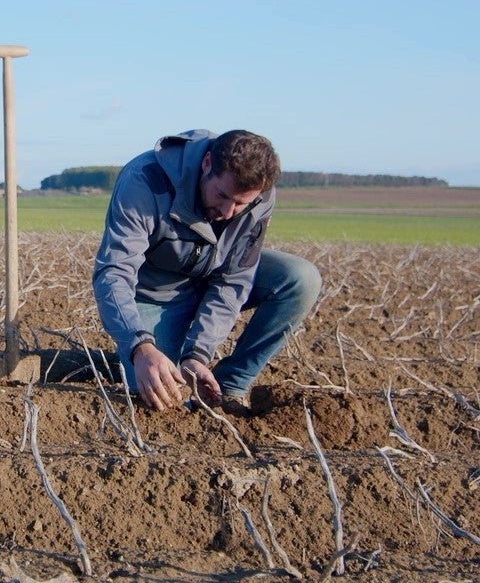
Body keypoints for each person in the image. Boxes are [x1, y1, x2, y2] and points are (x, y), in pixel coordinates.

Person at [91, 129, 320, 413]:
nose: (227, 212)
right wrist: (140, 347)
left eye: (240, 203)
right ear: (207, 163)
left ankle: (230, 388)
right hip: (155, 295)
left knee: (300, 278)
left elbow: (234, 278)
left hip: (208, 277)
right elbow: (114, 273)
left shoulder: (260, 195)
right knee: (157, 395)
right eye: (222, 195)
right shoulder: (145, 180)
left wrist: (197, 354)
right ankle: (106, 360)